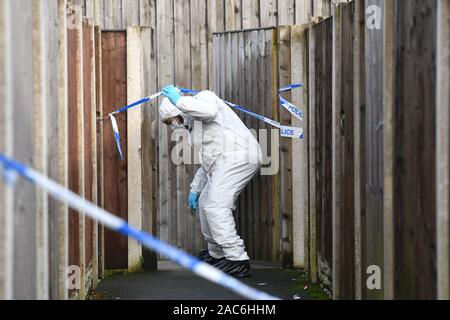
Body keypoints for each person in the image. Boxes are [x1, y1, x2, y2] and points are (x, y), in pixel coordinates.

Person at [159, 85, 262, 278]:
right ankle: (218, 254)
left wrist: (178, 100)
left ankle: (237, 259)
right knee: (206, 202)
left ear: (178, 110)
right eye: (167, 123)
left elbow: (209, 111)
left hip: (239, 156)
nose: (172, 125)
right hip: (222, 162)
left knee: (216, 205)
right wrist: (195, 189)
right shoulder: (194, 130)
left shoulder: (204, 98)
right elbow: (208, 163)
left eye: (171, 120)